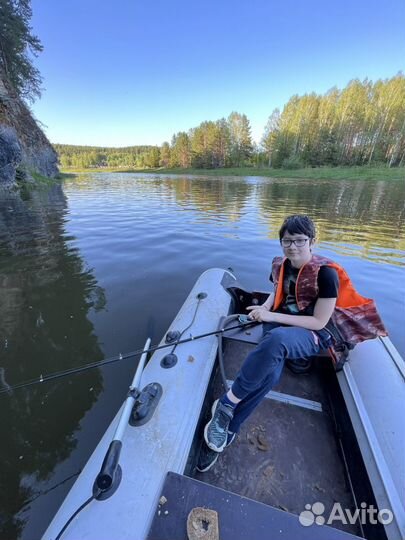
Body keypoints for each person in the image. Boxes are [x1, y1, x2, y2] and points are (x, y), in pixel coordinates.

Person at [197, 214, 387, 472]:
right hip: (280, 322)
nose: (293, 246)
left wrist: (270, 316)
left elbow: (320, 322)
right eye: (287, 241)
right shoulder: (280, 264)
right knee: (269, 376)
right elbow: (278, 292)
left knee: (277, 340)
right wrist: (262, 308)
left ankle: (227, 402)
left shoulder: (326, 275)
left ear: (312, 242)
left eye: (299, 240)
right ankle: (229, 426)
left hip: (314, 332)